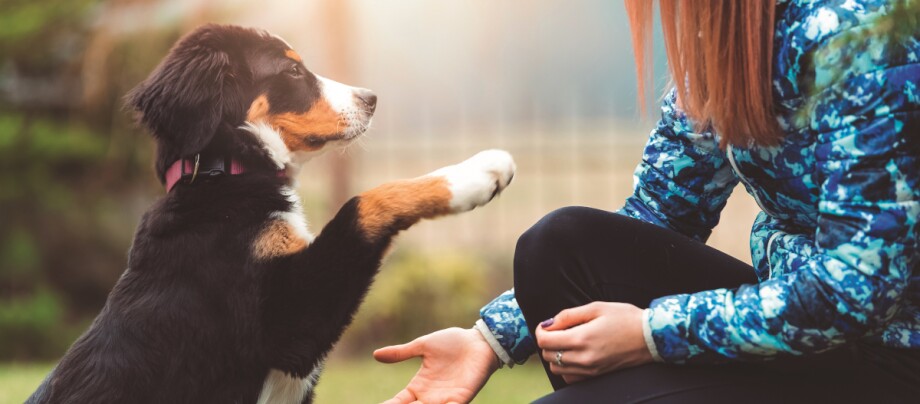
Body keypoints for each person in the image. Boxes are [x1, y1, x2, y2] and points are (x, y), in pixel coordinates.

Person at [374, 0, 919, 402]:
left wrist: (650, 333)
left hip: (894, 359)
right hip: (806, 337)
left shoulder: (863, 35)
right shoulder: (730, 44)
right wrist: (488, 341)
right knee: (558, 246)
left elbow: (856, 289)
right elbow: (661, 213)